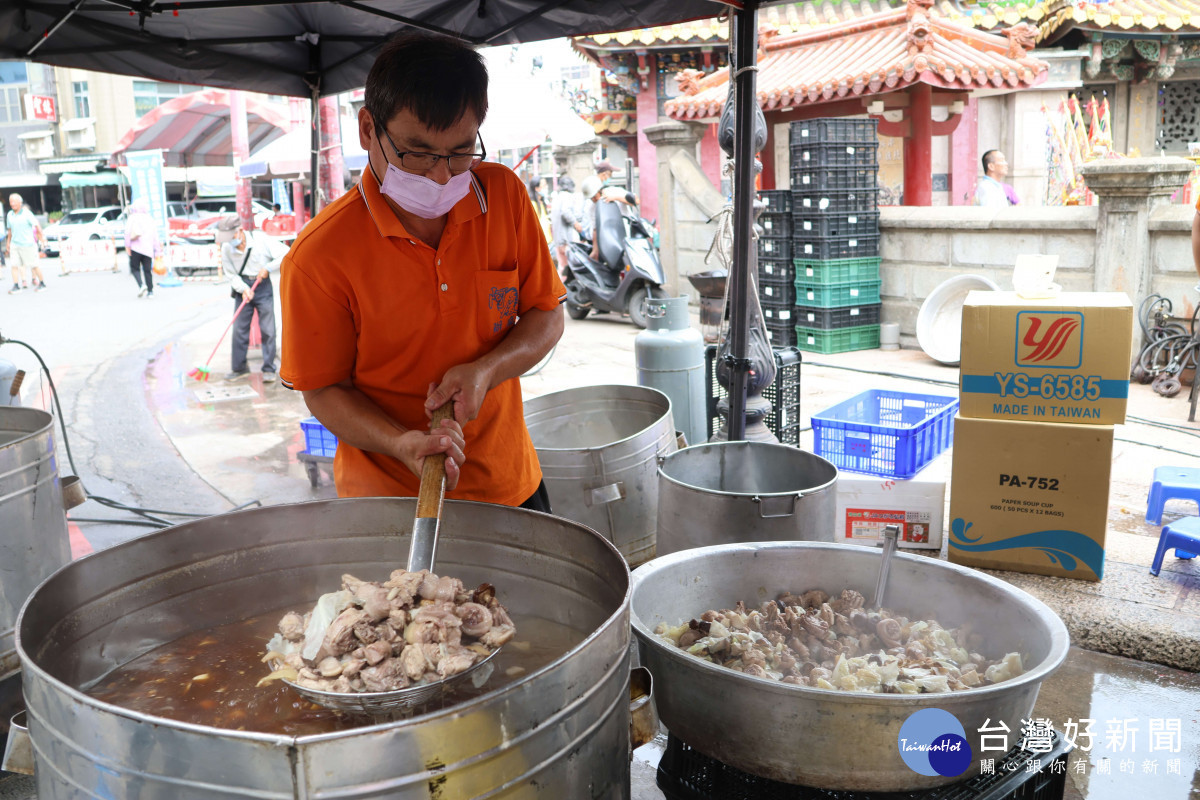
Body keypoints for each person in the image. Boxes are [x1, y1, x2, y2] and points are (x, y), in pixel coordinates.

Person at [279, 32, 565, 509]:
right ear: (368, 129)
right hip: (390, 501)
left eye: (459, 151)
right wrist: (399, 442)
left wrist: (486, 370)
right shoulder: (318, 257)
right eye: (418, 152)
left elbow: (547, 314)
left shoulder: (503, 196)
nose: (441, 175)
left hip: (509, 483)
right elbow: (324, 390)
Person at [218, 216, 280, 383]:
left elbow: (284, 254)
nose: (228, 242)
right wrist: (243, 288)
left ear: (239, 231)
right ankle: (239, 368)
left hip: (262, 285)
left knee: (268, 329)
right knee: (239, 329)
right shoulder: (226, 248)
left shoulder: (261, 240)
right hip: (242, 287)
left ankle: (268, 368)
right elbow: (230, 274)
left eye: (230, 237)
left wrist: (268, 267)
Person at [581, 175, 637, 267]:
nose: (594, 199)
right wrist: (595, 250)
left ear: (600, 190)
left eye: (595, 196)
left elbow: (636, 201)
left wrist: (615, 198)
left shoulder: (615, 191)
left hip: (629, 237)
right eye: (591, 198)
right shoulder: (591, 208)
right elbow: (595, 229)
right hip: (612, 244)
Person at [4, 194, 46, 293]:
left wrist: (42, 238)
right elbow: (10, 231)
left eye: (14, 201)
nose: (12, 204)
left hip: (27, 244)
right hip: (15, 244)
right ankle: (16, 286)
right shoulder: (10, 215)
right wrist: (8, 243)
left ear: (20, 203)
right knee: (14, 265)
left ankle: (42, 283)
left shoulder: (27, 213)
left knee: (34, 265)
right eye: (11, 202)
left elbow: (36, 225)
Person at [123, 198, 162, 298]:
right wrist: (158, 251)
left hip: (135, 248)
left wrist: (127, 245)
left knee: (135, 268)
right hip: (148, 249)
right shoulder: (150, 219)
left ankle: (141, 285)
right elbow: (155, 236)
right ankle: (150, 291)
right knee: (147, 270)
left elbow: (127, 233)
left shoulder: (132, 218)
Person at [550, 174, 583, 273]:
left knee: (562, 267)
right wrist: (576, 223)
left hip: (558, 240)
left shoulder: (557, 197)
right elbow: (566, 212)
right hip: (565, 239)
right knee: (568, 269)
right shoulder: (567, 196)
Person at [526, 175, 551, 243]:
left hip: (547, 241)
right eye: (544, 185)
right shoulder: (533, 204)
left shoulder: (542, 203)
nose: (547, 187)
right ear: (536, 188)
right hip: (540, 243)